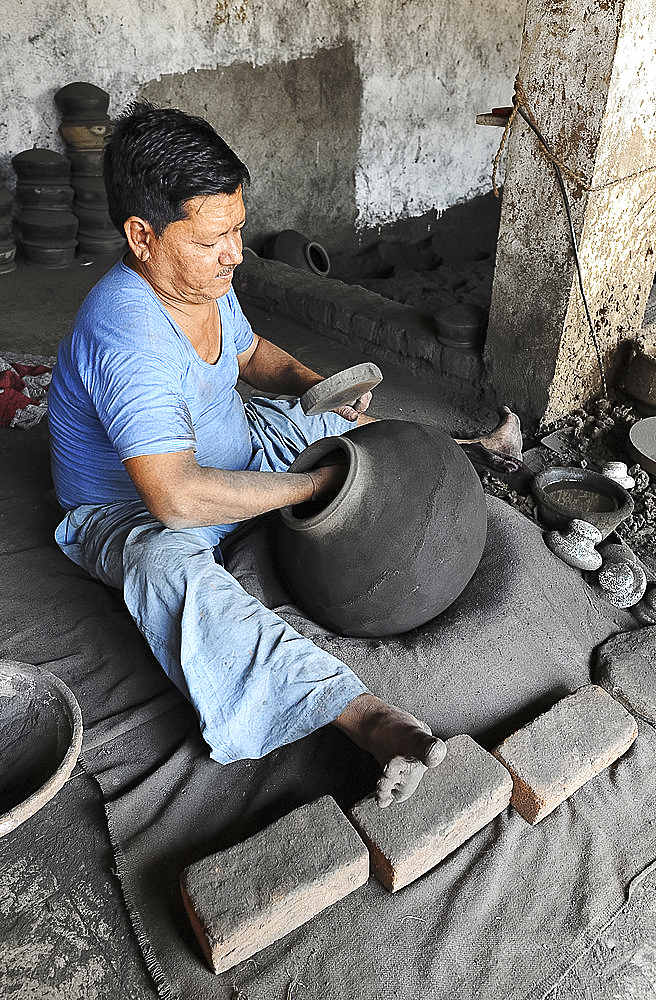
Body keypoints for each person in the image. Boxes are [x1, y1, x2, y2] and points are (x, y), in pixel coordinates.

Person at [48, 102, 523, 808]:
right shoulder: (127, 336)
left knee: (352, 437)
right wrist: (306, 492)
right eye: (216, 240)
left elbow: (248, 353)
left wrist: (311, 386)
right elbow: (175, 497)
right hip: (138, 510)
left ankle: (463, 450)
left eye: (237, 230)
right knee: (164, 571)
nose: (235, 254)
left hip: (241, 442)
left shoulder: (199, 278)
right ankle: (364, 717)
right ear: (142, 235)